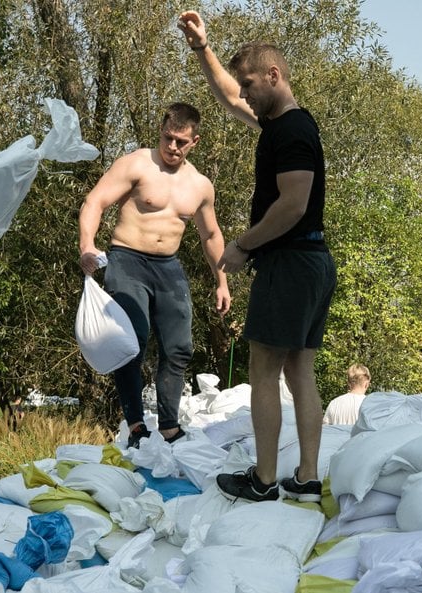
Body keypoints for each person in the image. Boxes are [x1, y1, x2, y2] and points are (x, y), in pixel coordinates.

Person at [179, 11, 337, 503]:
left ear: (274, 76)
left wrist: (244, 245)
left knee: (263, 370)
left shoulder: (290, 131)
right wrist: (203, 49)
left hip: (290, 262)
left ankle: (264, 480)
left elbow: (293, 203)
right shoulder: (282, 124)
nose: (244, 94)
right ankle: (307, 478)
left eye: (250, 83)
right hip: (312, 262)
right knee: (300, 370)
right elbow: (228, 97)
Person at [78, 102, 231, 448]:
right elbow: (95, 202)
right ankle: (135, 426)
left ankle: (170, 427)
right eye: (167, 138)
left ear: (195, 142)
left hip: (168, 266)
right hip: (127, 258)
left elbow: (210, 235)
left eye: (181, 142)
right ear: (160, 132)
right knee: (132, 341)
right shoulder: (136, 164)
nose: (172, 147)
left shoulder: (200, 185)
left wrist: (222, 281)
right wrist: (87, 246)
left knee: (180, 348)